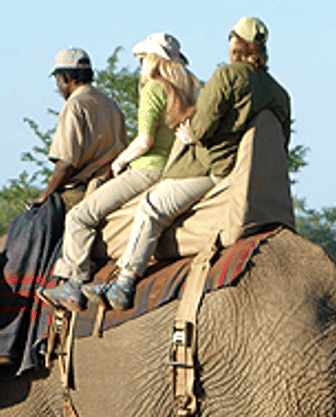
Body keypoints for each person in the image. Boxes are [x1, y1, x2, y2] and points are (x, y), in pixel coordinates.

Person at [88, 16, 291, 311]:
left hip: (208, 167)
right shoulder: (279, 93)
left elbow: (202, 124)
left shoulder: (227, 77)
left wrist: (191, 133)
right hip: (244, 173)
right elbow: (282, 141)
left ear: (234, 42)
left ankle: (125, 281)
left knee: (151, 207)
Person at [40, 33, 200, 312]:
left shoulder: (152, 89)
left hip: (145, 169)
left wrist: (119, 164)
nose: (139, 64)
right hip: (173, 169)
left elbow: (143, 142)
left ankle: (74, 283)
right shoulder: (185, 92)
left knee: (79, 216)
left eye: (142, 59)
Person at [31, 47, 128, 210]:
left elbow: (66, 163)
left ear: (66, 78)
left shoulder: (74, 105)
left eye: (58, 80)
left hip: (80, 193)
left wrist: (44, 195)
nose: (59, 87)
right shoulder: (111, 104)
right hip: (112, 187)